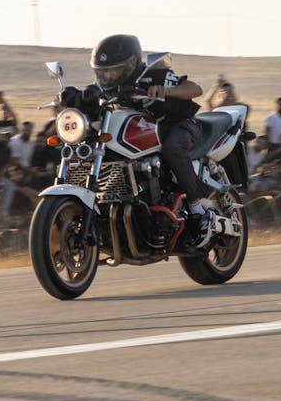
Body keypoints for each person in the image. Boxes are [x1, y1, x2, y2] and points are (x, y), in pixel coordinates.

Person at [90, 34, 211, 245]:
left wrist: (168, 90)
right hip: (146, 128)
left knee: (172, 149)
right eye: (103, 72)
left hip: (179, 124)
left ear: (130, 64)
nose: (108, 75)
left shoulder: (153, 75)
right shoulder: (105, 87)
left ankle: (197, 209)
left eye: (113, 69)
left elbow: (196, 89)